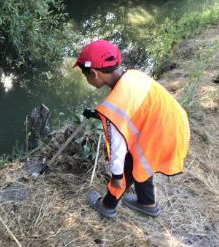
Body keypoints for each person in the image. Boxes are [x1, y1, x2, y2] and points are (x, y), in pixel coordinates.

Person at [73, 40, 190, 218]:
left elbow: (118, 150)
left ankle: (107, 205)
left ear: (94, 74)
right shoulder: (134, 76)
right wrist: (98, 116)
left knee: (129, 163)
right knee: (143, 158)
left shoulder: (115, 105)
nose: (86, 79)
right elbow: (134, 109)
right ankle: (147, 203)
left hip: (163, 135)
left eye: (85, 75)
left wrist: (117, 176)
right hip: (175, 126)